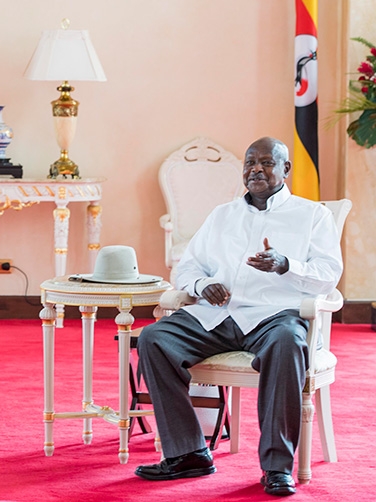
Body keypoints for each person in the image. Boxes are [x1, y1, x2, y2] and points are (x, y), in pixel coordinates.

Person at [134, 137, 342, 496]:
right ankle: (189, 453)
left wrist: (286, 265)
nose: (256, 170)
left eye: (266, 163)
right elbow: (187, 269)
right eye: (250, 163)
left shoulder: (312, 216)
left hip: (276, 316)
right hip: (219, 316)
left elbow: (329, 274)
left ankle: (277, 467)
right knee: (155, 338)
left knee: (288, 344)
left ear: (285, 170)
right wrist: (202, 285)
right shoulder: (222, 215)